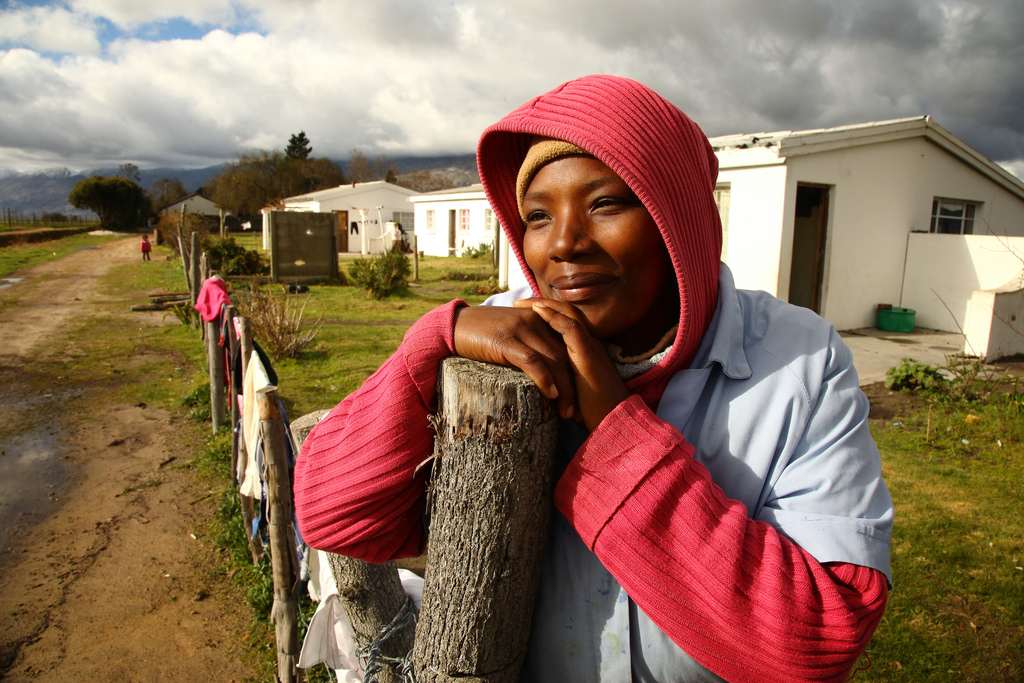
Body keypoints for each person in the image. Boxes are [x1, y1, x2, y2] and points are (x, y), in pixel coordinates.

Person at [294, 75, 893, 682]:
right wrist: (428, 346)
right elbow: (332, 516)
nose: (563, 244)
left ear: (677, 217)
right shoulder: (504, 342)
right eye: (537, 215)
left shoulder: (799, 362)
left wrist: (615, 432)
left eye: (605, 204)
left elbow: (816, 641)